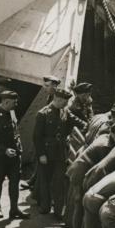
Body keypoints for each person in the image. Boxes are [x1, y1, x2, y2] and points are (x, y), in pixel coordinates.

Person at [64, 119, 115, 228]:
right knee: (80, 206)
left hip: (80, 169)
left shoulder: (105, 136)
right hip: (81, 173)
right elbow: (101, 167)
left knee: (80, 206)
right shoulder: (105, 147)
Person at [0, 89, 27, 221]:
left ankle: (14, 209)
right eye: (14, 103)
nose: (16, 105)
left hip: (14, 156)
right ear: (6, 102)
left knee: (14, 183)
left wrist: (19, 146)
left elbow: (15, 131)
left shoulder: (12, 112)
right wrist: (4, 150)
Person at [34, 85, 72, 218]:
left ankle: (58, 210)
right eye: (63, 100)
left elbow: (74, 122)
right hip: (47, 152)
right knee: (45, 180)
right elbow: (37, 137)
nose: (66, 103)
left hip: (60, 152)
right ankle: (45, 206)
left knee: (59, 181)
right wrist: (41, 154)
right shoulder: (43, 114)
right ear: (56, 98)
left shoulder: (64, 111)